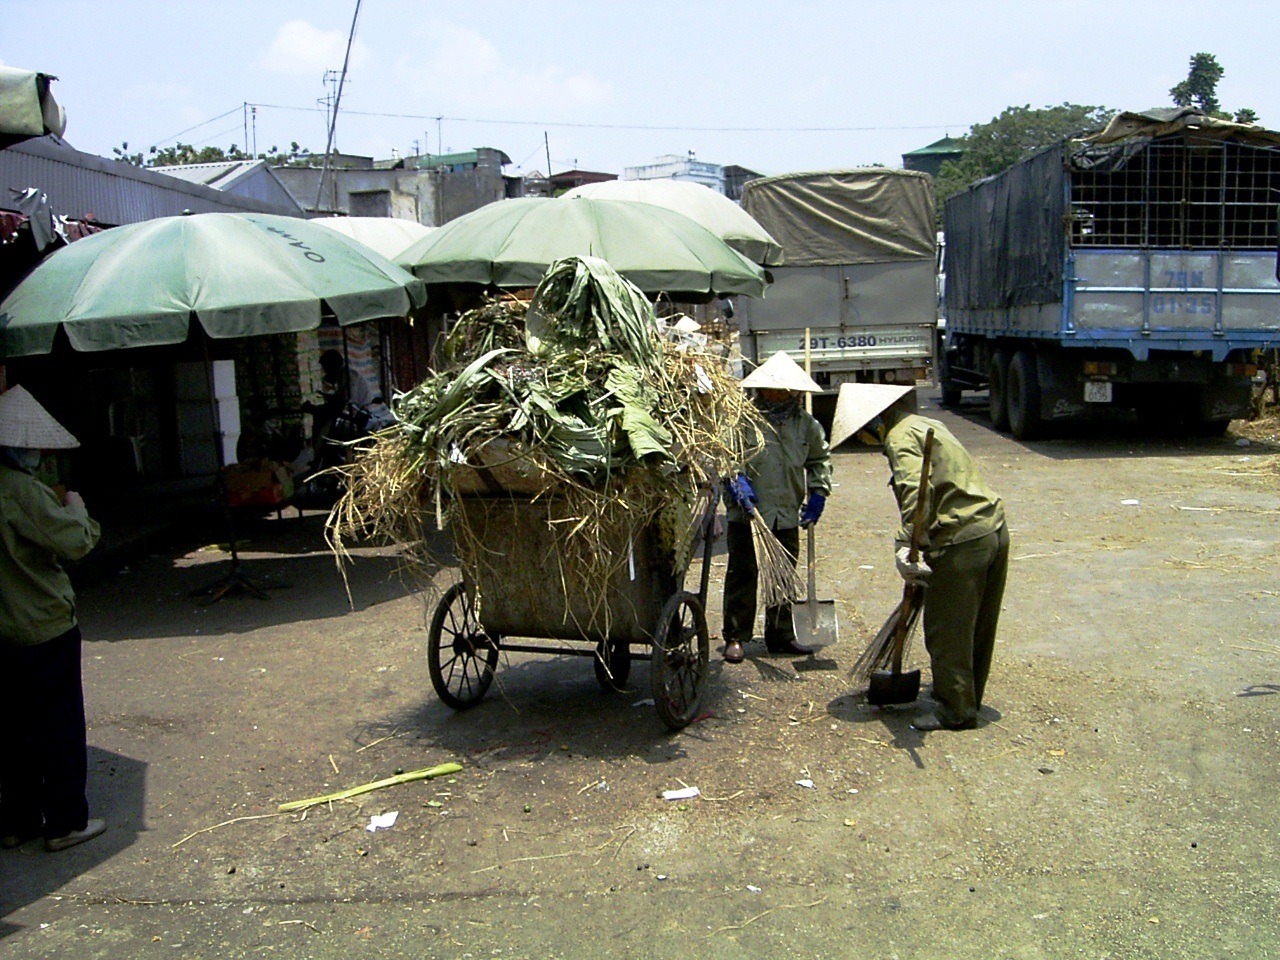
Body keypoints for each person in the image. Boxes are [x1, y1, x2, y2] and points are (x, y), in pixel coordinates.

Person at [840, 383, 1009, 731]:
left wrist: (907, 542)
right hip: (991, 528)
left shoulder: (900, 436)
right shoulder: (927, 424)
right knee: (976, 627)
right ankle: (965, 695)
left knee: (947, 630)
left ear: (876, 419)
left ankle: (956, 710)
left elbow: (916, 491)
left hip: (960, 539)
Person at [0, 385, 105, 851]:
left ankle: (16, 819)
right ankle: (64, 822)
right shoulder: (21, 491)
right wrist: (78, 510)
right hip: (41, 625)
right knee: (58, 725)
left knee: (11, 729)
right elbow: (75, 542)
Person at [722, 352, 832, 663]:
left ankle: (781, 634)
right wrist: (737, 481)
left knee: (783, 575)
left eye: (786, 390)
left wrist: (818, 493)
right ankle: (736, 636)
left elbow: (819, 461)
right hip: (748, 513)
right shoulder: (743, 421)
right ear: (760, 390)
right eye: (774, 389)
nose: (780, 395)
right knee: (743, 572)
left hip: (785, 511)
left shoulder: (806, 425)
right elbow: (726, 458)